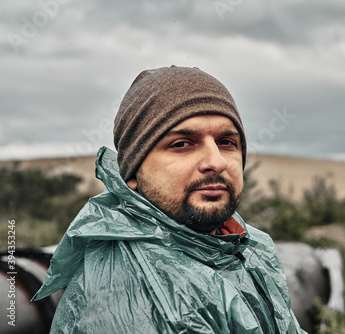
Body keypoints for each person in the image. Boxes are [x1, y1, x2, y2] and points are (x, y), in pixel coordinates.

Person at [32, 66, 306, 333]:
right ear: (133, 172)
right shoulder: (129, 299)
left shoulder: (245, 245)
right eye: (182, 144)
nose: (217, 162)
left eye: (226, 142)